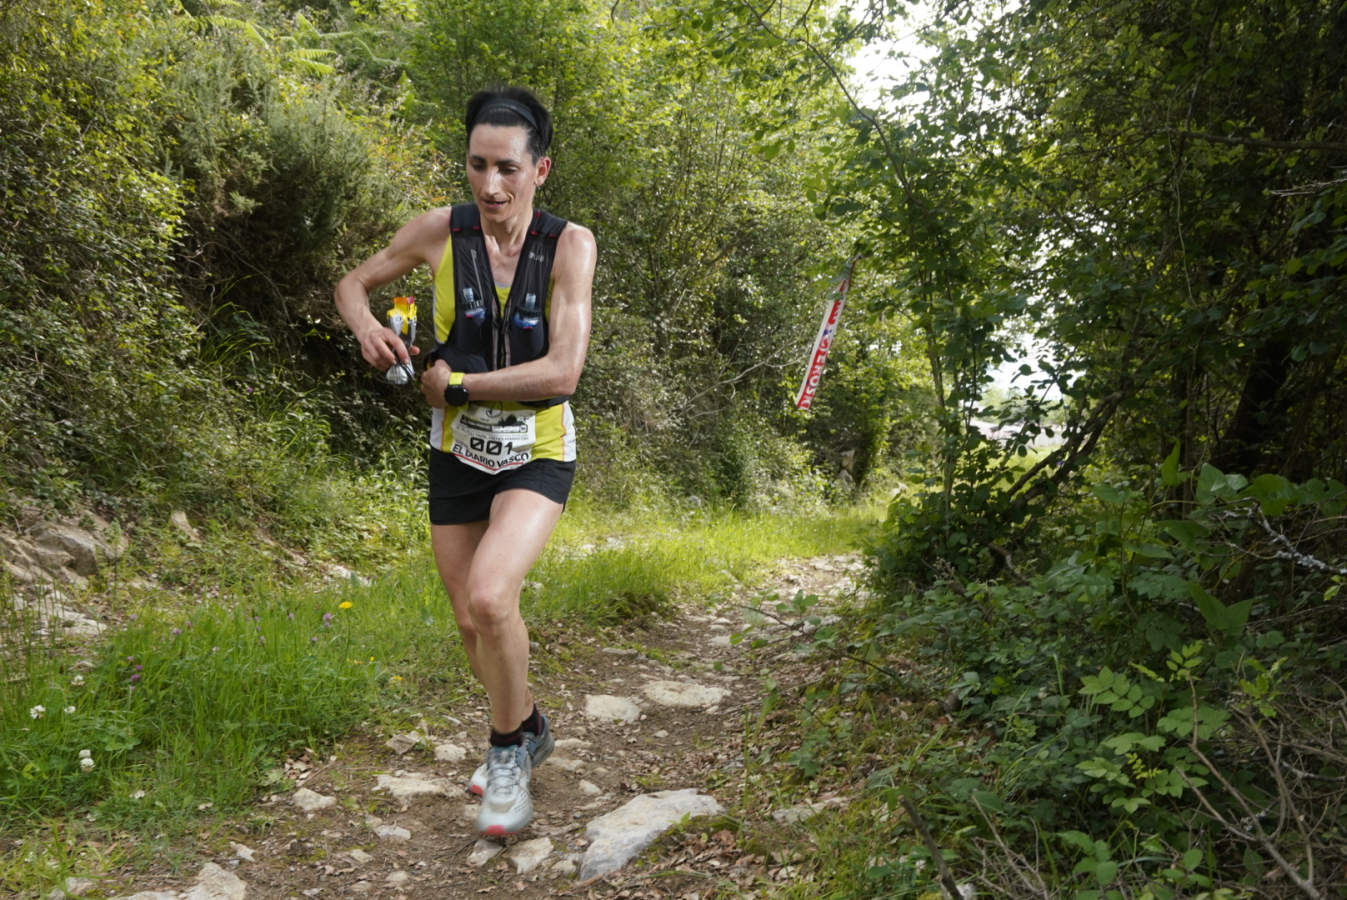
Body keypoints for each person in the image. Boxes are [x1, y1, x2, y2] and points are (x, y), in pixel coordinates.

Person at [334, 86, 596, 836]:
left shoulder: (568, 245)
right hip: (455, 452)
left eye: (507, 168)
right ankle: (529, 723)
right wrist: (365, 328)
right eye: (478, 166)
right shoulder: (438, 232)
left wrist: (457, 384)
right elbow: (352, 283)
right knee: (467, 621)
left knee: (490, 597)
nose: (490, 186)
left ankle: (507, 753)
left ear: (539, 170)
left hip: (536, 447)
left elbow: (563, 370)